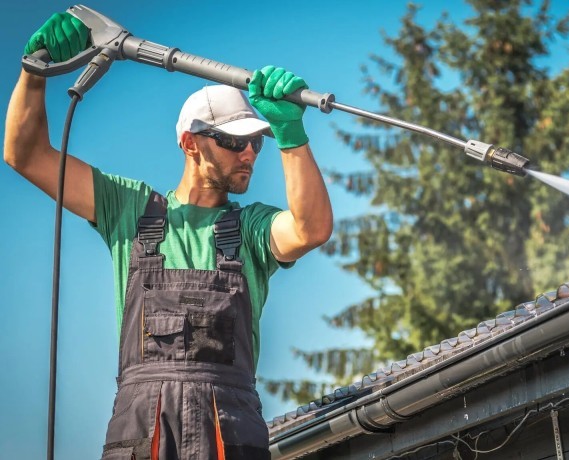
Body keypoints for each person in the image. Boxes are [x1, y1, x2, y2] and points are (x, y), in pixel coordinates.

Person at [5, 12, 333, 460]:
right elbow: (25, 155)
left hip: (229, 429)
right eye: (235, 142)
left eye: (257, 142)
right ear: (191, 143)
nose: (251, 153)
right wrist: (34, 71)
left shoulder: (252, 228)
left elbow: (310, 229)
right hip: (144, 429)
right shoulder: (130, 210)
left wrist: (291, 135)